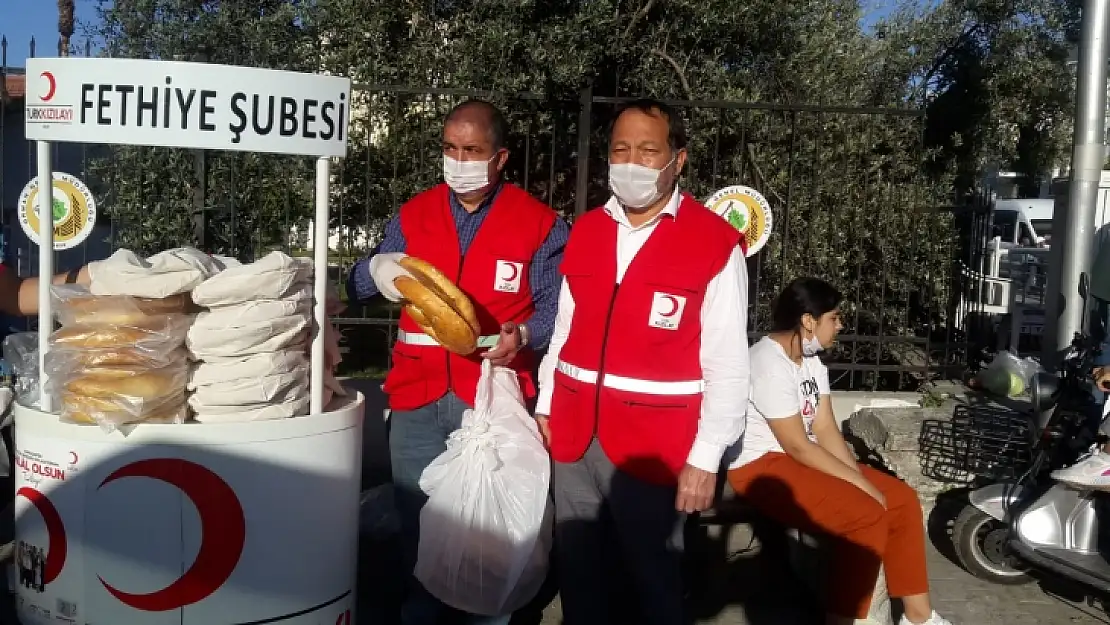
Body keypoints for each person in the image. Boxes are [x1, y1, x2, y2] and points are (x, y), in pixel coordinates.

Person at [346, 99, 568, 625]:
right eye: (450, 148)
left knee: (489, 535)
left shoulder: (539, 225)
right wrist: (372, 268)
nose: (458, 159)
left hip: (491, 404)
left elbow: (559, 310)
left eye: (472, 150)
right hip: (417, 398)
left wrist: (523, 333)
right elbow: (358, 287)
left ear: (500, 158)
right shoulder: (413, 215)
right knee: (416, 528)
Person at [535, 98, 751, 625]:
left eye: (648, 151)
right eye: (620, 150)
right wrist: (546, 404)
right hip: (574, 436)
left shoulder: (715, 245)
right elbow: (565, 330)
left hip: (655, 451)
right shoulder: (586, 231)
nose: (632, 162)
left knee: (652, 583)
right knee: (580, 578)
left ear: (678, 160)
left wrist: (705, 459)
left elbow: (726, 364)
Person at [726, 277, 952, 625]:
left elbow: (825, 428)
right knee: (866, 514)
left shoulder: (812, 361)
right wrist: (862, 488)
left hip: (803, 455)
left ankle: (918, 617)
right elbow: (797, 447)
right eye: (834, 317)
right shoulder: (767, 363)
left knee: (902, 500)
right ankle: (845, 618)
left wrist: (859, 476)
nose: (841, 325)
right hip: (762, 466)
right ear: (807, 321)